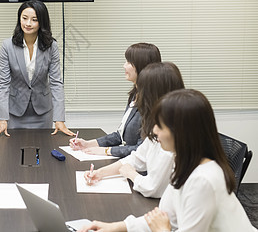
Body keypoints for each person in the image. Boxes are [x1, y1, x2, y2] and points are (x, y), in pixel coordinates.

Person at [79, 89, 257, 232]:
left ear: (181, 132)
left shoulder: (203, 179)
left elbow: (163, 225)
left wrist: (162, 230)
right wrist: (113, 227)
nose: (154, 132)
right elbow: (163, 216)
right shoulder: (184, 163)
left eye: (160, 126)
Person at [84, 62, 185, 198]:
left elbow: (153, 188)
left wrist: (130, 173)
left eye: (142, 90)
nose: (139, 95)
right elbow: (137, 158)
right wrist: (100, 173)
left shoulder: (171, 137)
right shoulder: (159, 125)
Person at [0, 0, 74, 137]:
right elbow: (2, 84)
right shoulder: (7, 46)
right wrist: (2, 119)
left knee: (43, 152)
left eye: (34, 19)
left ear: (42, 22)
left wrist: (59, 119)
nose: (28, 23)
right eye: (24, 18)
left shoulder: (52, 46)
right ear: (19, 19)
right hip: (15, 112)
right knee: (13, 152)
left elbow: (56, 83)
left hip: (43, 112)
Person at [69, 43, 161, 158]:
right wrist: (88, 144)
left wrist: (108, 151)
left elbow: (142, 148)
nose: (124, 66)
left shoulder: (152, 102)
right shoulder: (135, 95)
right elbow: (120, 135)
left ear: (142, 66)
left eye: (129, 62)